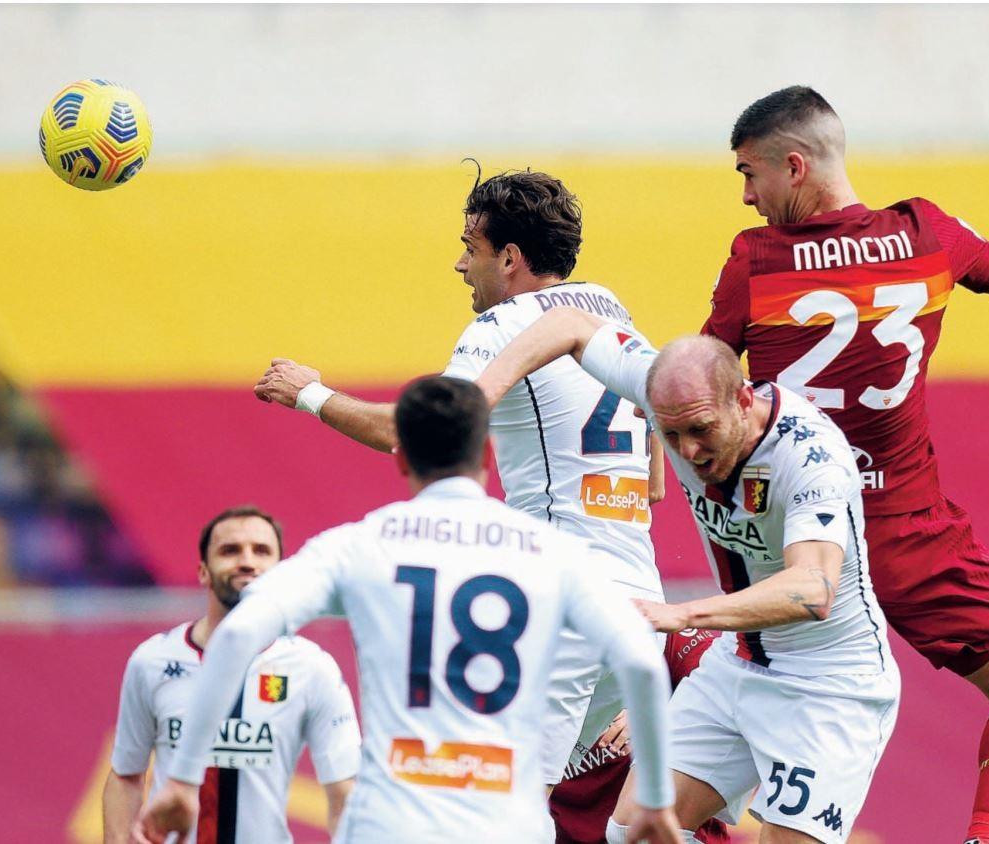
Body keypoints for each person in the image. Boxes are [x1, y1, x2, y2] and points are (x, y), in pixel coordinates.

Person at [703, 85, 989, 844]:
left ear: (795, 165)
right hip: (908, 534)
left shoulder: (757, 263)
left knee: (741, 711)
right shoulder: (927, 233)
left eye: (750, 175)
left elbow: (701, 384)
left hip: (792, 549)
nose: (746, 197)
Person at [252, 167, 668, 803]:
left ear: (509, 257)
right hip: (641, 606)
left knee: (492, 801)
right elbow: (656, 474)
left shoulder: (504, 327)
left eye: (470, 247)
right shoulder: (613, 311)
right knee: (537, 804)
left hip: (565, 609)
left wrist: (308, 392)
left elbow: (419, 430)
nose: (458, 264)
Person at [133, 377, 681, 844]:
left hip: (390, 819)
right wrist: (654, 799)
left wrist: (181, 780)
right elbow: (638, 658)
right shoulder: (551, 552)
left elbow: (235, 635)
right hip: (507, 823)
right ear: (486, 452)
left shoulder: (360, 544)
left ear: (400, 455)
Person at [475, 325, 900, 843]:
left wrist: (679, 614)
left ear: (743, 399)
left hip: (830, 686)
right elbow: (572, 324)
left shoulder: (811, 459)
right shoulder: (670, 393)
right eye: (670, 435)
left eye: (701, 430)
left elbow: (813, 589)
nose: (690, 451)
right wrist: (478, 398)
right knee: (634, 832)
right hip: (739, 665)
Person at [102, 505, 360, 844]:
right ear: (203, 572)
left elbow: (345, 792)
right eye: (230, 550)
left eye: (261, 551)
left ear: (281, 571)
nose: (247, 561)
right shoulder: (153, 660)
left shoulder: (312, 669)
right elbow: (126, 775)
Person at [551, 628, 733, 844]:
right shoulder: (520, 653)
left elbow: (732, 689)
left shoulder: (659, 631)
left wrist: (655, 711)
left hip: (665, 833)